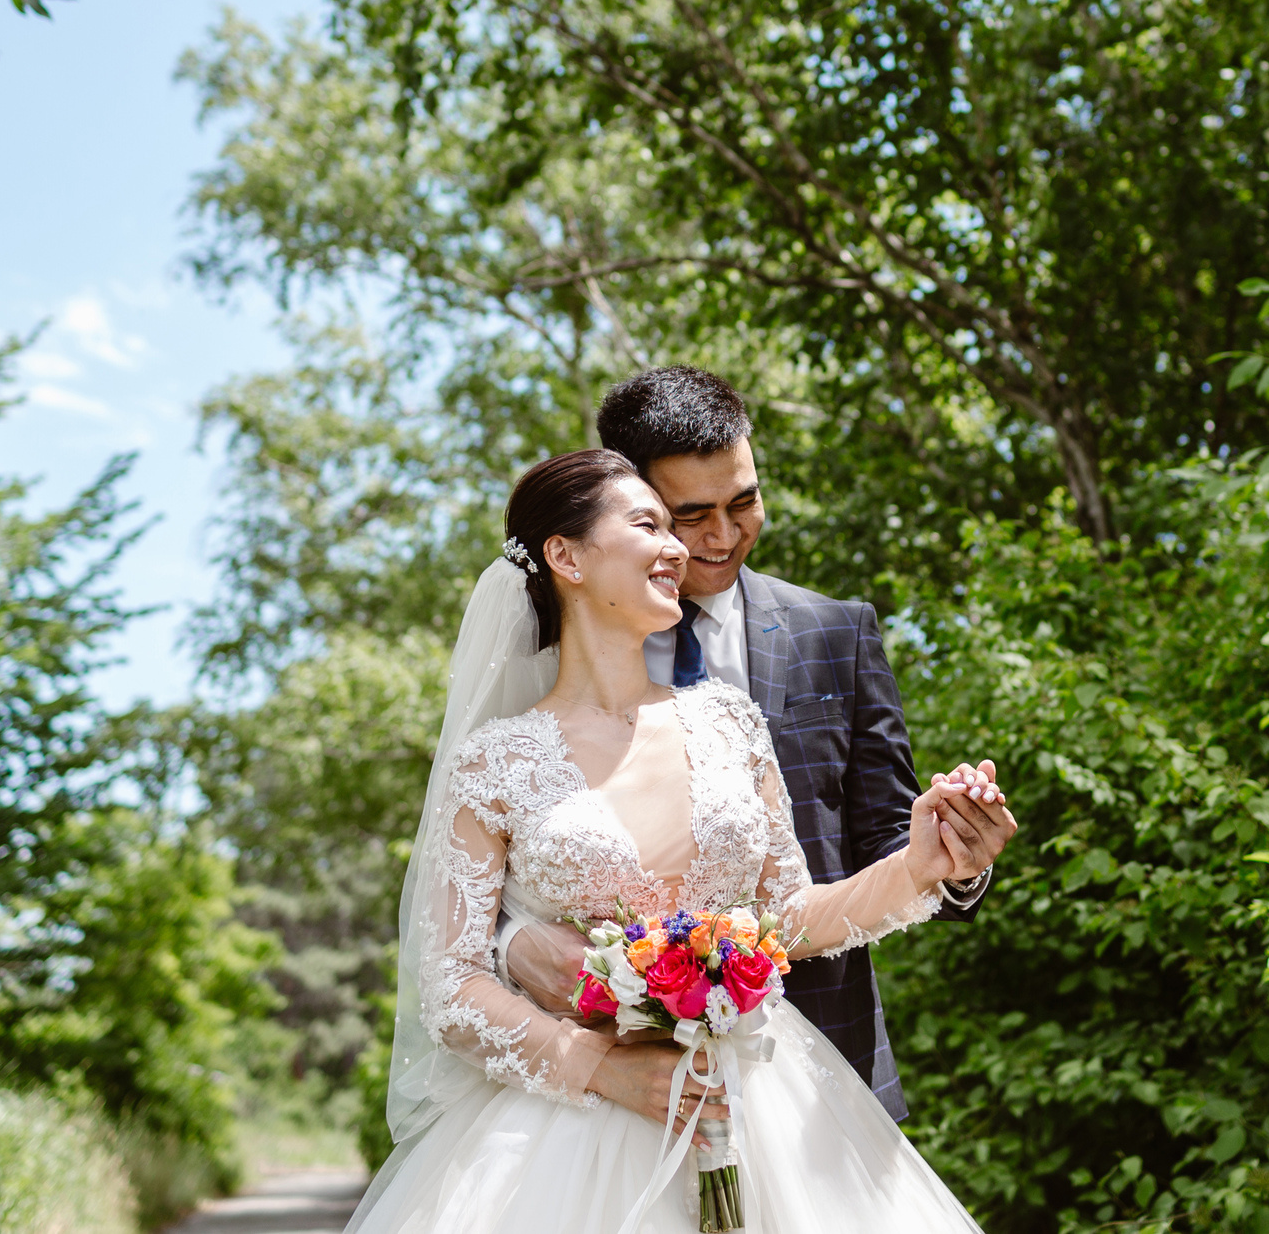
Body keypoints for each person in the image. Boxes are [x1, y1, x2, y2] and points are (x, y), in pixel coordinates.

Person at [348, 449, 1018, 1232]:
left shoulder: (731, 724)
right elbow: (451, 985)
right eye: (649, 524)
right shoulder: (494, 762)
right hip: (569, 1143)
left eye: (674, 527)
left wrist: (919, 865)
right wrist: (603, 1068)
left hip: (762, 1103)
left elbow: (789, 918)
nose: (678, 547)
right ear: (566, 556)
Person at [497, 366, 1003, 1118]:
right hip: (613, 1084)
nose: (724, 536)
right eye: (690, 515)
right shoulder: (535, 655)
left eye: (744, 502)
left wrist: (956, 854)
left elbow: (887, 843)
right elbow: (483, 865)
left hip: (820, 1080)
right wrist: (513, 942)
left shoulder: (837, 634)